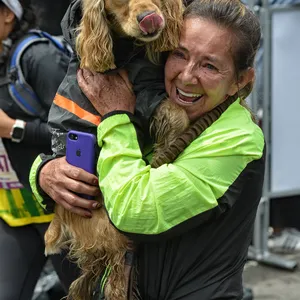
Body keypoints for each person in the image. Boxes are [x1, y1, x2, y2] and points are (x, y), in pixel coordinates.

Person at [30, 0, 265, 299]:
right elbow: (96, 166)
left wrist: (116, 118)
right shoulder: (154, 105)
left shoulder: (237, 138)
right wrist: (44, 173)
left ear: (241, 80)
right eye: (179, 54)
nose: (187, 76)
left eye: (209, 65)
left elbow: (133, 211)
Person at [0, 0, 79, 299]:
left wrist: (14, 128)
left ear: (9, 14)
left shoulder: (38, 57)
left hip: (60, 213)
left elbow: (77, 132)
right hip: (13, 213)